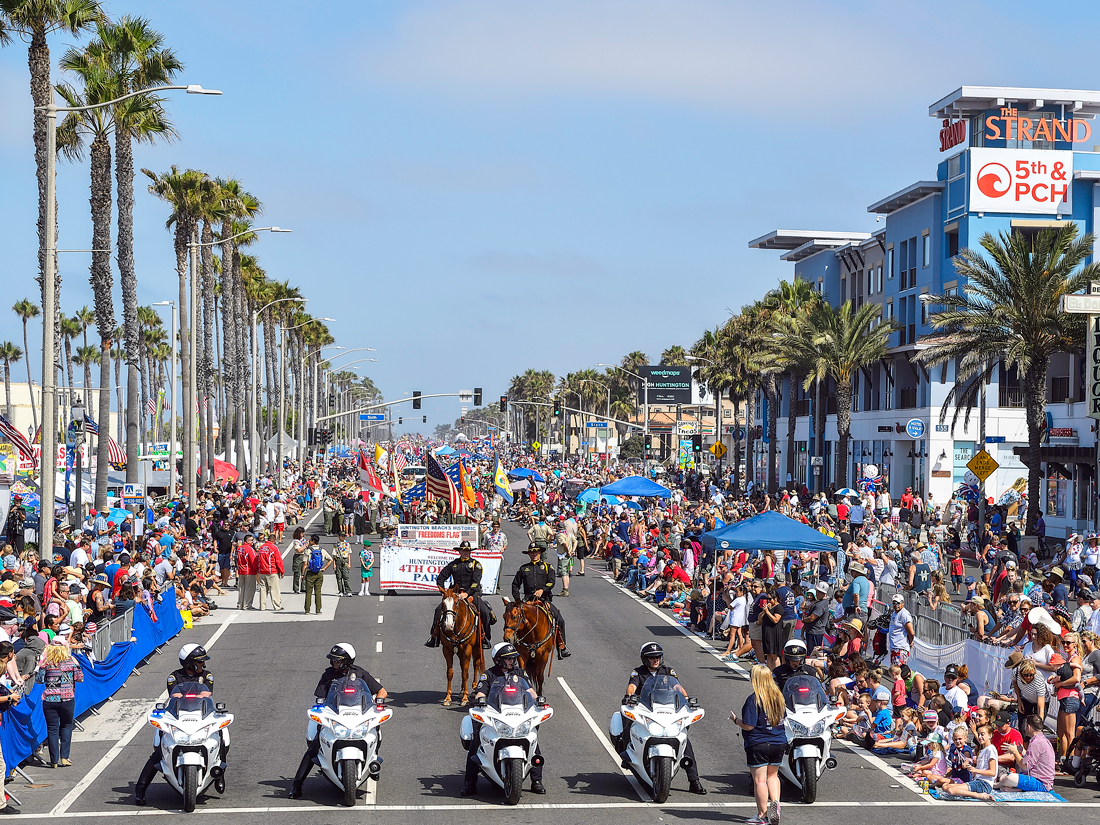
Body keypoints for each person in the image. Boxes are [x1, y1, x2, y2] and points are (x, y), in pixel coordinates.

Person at [288, 643, 387, 798]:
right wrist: (320, 711)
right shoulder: (328, 675)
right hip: (335, 715)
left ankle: (372, 762)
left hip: (358, 715)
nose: (334, 663)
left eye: (338, 660)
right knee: (314, 746)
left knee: (375, 730)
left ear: (347, 660)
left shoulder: (360, 673)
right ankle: (297, 784)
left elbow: (381, 691)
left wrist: (378, 702)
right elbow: (320, 698)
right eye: (333, 660)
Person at [135, 644, 218, 805]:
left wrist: (191, 695)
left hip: (201, 715)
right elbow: (175, 695)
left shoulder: (207, 675)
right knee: (159, 751)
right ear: (189, 663)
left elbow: (207, 694)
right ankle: (140, 789)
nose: (203, 665)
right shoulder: (174, 676)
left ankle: (220, 775)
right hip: (177, 716)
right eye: (199, 662)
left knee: (221, 736)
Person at [619, 643, 706, 795]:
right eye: (652, 657)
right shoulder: (638, 672)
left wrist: (686, 699)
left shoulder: (668, 672)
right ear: (645, 659)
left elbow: (678, 687)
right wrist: (629, 697)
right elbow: (632, 686)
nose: (656, 660)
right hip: (645, 708)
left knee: (684, 739)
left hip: (667, 709)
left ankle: (694, 781)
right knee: (629, 723)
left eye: (658, 657)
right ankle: (628, 754)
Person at [461, 643, 546, 797]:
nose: (512, 661)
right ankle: (470, 783)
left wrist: (538, 699)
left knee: (532, 739)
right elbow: (480, 692)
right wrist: (480, 700)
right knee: (476, 744)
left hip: (518, 712)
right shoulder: (489, 675)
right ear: (498, 660)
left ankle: (536, 781)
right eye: (508, 659)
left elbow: (529, 690)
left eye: (513, 658)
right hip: (495, 713)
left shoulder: (520, 673)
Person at [731, 664, 786, 825]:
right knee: (773, 775)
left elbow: (749, 725)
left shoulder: (754, 699)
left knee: (760, 780)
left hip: (758, 743)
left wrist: (736, 721)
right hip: (778, 741)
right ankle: (775, 801)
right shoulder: (779, 697)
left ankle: (762, 815)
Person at [426, 542, 493, 649]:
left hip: (471, 593)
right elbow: (441, 578)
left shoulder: (476, 564)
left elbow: (476, 582)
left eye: (468, 551)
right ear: (460, 551)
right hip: (455, 594)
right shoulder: (453, 564)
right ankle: (435, 637)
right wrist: (444, 593)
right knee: (438, 610)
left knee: (484, 611)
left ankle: (485, 638)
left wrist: (467, 593)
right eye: (464, 550)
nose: (466, 553)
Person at [511, 544, 570, 658]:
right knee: (514, 618)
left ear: (540, 553)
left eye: (537, 552)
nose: (534, 554)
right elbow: (515, 584)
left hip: (543, 600)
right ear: (529, 554)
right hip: (528, 600)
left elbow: (551, 581)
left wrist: (542, 590)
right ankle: (513, 646)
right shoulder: (523, 568)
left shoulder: (547, 566)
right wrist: (517, 600)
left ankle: (561, 647)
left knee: (560, 620)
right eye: (532, 552)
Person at [40, 639, 83, 769]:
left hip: (49, 699)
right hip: (67, 698)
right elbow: (80, 678)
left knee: (52, 729)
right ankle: (65, 757)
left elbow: (39, 680)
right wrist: (77, 664)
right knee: (66, 726)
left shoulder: (46, 664)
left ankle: (54, 760)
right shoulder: (70, 662)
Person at [992, 714, 1055, 794]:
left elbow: (1025, 767)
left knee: (1010, 778)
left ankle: (996, 786)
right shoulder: (1040, 739)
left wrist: (1015, 752)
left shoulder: (1036, 742)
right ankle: (1016, 788)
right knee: (1004, 777)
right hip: (1037, 778)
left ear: (1029, 727)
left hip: (1040, 782)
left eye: (1025, 726)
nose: (1024, 728)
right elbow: (1032, 760)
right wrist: (1023, 751)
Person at [302, 535, 332, 615]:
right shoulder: (322, 550)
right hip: (319, 573)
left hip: (310, 572)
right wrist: (324, 568)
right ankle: (318, 610)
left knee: (308, 592)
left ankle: (307, 610)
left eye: (310, 540)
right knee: (318, 592)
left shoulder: (308, 551)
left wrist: (302, 574)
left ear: (313, 541)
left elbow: (305, 564)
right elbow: (330, 559)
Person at [255, 533, 285, 611]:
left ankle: (262, 606)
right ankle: (277, 606)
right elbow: (278, 561)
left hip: (262, 571)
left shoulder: (261, 547)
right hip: (272, 571)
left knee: (263, 589)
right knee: (274, 589)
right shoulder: (274, 548)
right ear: (274, 540)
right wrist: (282, 571)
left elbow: (258, 559)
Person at [887, 593, 915, 665]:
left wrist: (910, 641)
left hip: (900, 648)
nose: (896, 605)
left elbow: (911, 632)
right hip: (894, 647)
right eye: (894, 603)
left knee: (899, 672)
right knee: (894, 671)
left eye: (898, 603)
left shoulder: (904, 614)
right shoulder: (894, 613)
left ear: (902, 603)